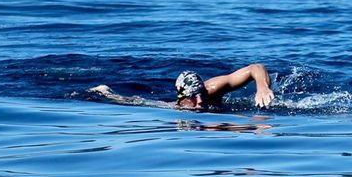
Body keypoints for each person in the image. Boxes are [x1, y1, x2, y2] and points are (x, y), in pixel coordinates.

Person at [88, 63, 275, 109]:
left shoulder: (213, 89)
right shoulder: (172, 107)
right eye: (193, 97)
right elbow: (133, 101)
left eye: (201, 93)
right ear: (181, 99)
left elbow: (256, 67)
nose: (200, 101)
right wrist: (106, 93)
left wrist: (262, 87)